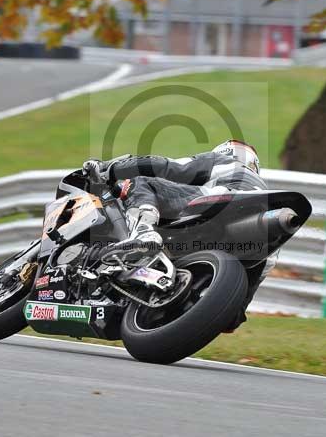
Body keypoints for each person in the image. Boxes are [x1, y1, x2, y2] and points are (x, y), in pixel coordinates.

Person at [82, 140, 275, 329]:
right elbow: (236, 312)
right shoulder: (263, 205)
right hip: (242, 235)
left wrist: (109, 168)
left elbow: (166, 166)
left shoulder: (223, 162)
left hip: (222, 200)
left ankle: (144, 231)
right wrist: (225, 313)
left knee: (142, 183)